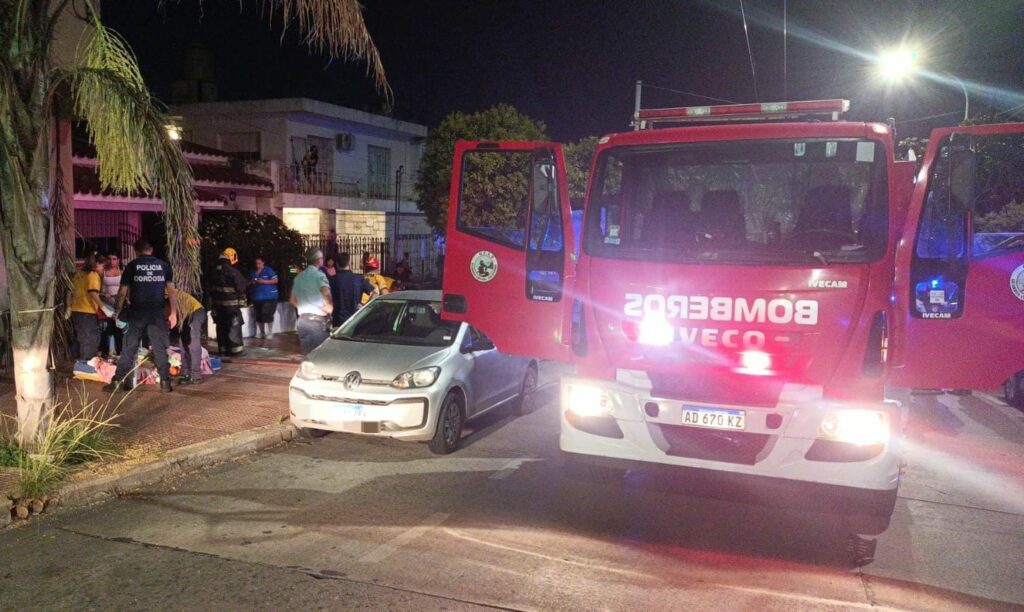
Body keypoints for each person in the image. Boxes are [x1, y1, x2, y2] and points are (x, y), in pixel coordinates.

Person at [104, 238, 176, 393]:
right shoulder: (164, 266)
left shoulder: (132, 266)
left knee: (129, 347)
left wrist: (117, 312)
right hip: (157, 313)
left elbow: (122, 292)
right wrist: (174, 313)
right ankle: (165, 382)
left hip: (137, 313)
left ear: (136, 251)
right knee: (159, 348)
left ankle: (117, 381)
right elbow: (171, 291)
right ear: (151, 249)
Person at [289, 247, 333, 355]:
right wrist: (329, 306)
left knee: (307, 354)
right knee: (321, 354)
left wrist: (303, 306)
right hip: (317, 321)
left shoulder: (299, 277)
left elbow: (292, 300)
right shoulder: (319, 275)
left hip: (303, 321)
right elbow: (326, 292)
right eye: (322, 258)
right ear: (318, 260)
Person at [209, 247, 247, 356]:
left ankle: (223, 350)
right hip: (232, 308)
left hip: (217, 307)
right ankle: (236, 352)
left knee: (221, 329)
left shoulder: (213, 271)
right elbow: (241, 287)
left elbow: (209, 289)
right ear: (231, 257)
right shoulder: (233, 272)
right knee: (233, 328)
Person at [70, 253, 104, 363]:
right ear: (97, 264)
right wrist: (103, 307)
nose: (102, 268)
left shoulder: (78, 274)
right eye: (102, 265)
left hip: (75, 310)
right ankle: (86, 364)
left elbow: (69, 291)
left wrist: (68, 307)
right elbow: (93, 293)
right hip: (87, 310)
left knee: (80, 338)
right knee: (90, 339)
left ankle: (78, 362)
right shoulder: (93, 275)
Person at [169, 290, 206, 385]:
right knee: (183, 342)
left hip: (196, 312)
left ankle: (196, 376)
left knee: (193, 341)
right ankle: (185, 373)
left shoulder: (169, 293)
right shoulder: (164, 294)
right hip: (185, 315)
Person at [335, 252, 376, 324]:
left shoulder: (332, 280)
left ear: (337, 264)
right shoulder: (359, 279)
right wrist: (365, 306)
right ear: (349, 263)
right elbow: (375, 293)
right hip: (355, 318)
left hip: (338, 320)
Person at [248, 256, 279, 339]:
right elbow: (249, 281)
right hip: (257, 297)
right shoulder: (253, 272)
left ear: (263, 263)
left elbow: (275, 280)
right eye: (256, 263)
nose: (258, 265)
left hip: (269, 297)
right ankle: (262, 332)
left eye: (259, 263)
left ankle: (270, 332)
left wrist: (264, 282)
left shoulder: (268, 270)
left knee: (268, 314)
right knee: (259, 315)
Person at [99, 252, 123, 358]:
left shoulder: (122, 272)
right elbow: (98, 288)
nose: (112, 261)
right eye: (109, 259)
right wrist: (104, 294)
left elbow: (127, 287)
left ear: (118, 260)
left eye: (114, 259)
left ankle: (119, 351)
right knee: (107, 328)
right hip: (107, 302)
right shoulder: (102, 272)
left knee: (119, 326)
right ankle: (105, 351)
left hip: (119, 301)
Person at [320, 255, 344, 326]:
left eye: (332, 261)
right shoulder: (323, 269)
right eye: (329, 261)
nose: (330, 262)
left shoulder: (336, 269)